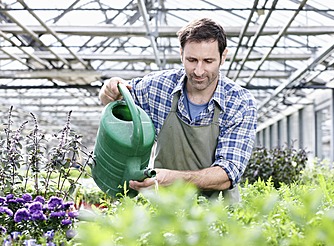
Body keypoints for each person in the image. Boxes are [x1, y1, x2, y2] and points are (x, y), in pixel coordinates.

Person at [99, 18, 257, 202]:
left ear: (223, 57)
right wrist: (108, 91)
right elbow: (114, 100)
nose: (198, 71)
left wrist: (171, 179)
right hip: (164, 211)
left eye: (208, 61)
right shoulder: (157, 87)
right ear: (181, 53)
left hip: (217, 216)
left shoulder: (239, 102)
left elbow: (228, 173)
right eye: (191, 60)